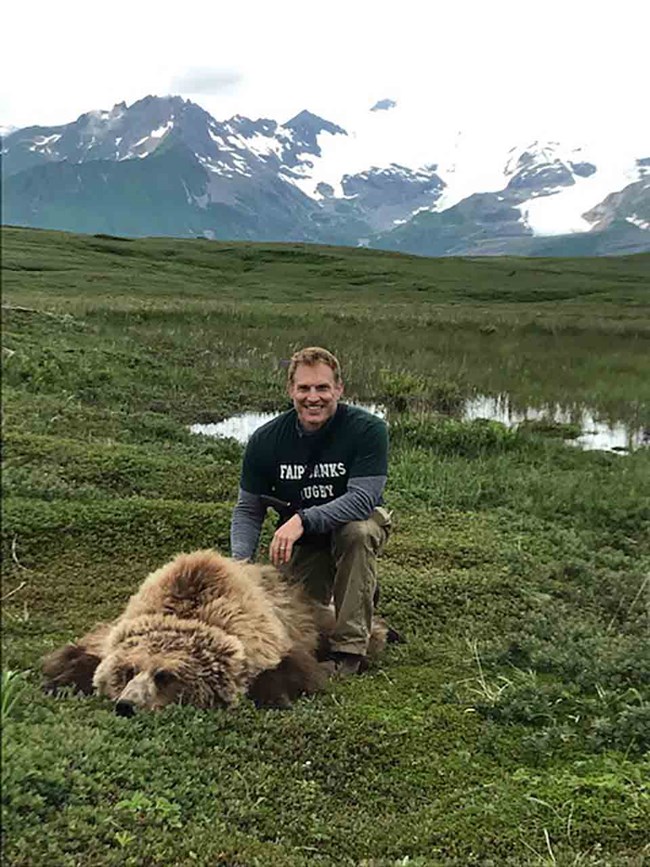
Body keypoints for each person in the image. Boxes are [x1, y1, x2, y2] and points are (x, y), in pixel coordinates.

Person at [230, 346, 391, 676]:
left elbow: (362, 499)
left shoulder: (368, 430)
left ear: (339, 389)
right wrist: (239, 564)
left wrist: (302, 519)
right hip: (305, 541)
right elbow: (249, 508)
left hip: (350, 523)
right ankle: (361, 610)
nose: (313, 397)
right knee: (304, 616)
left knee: (357, 534)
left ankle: (350, 653)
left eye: (322, 388)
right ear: (291, 390)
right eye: (304, 388)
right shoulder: (266, 440)